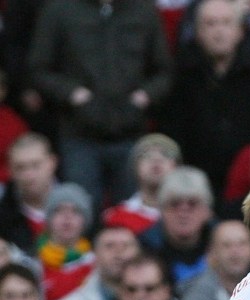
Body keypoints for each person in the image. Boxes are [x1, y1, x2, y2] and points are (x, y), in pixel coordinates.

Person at [27, 0, 173, 207]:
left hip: (130, 132)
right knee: (81, 212)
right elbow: (39, 69)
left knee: (131, 214)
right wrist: (72, 94)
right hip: (78, 134)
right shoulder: (59, 9)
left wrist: (144, 96)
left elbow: (164, 71)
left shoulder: (143, 9)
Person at [161, 0, 250, 202]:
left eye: (226, 23)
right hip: (194, 185)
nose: (219, 32)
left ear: (240, 31)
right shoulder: (180, 75)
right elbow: (172, 130)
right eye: (210, 24)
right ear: (197, 32)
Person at [138, 166, 216, 286]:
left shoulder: (223, 242)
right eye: (174, 204)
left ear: (207, 211)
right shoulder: (144, 247)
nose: (183, 212)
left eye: (192, 204)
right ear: (161, 211)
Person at [179, 220, 250, 300]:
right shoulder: (196, 296)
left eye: (242, 244)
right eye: (226, 245)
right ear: (211, 253)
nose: (235, 251)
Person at [100, 133, 182, 235]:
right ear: (135, 168)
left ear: (177, 167)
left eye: (166, 155)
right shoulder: (115, 217)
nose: (156, 160)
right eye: (146, 155)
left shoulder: (190, 214)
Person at [37, 183, 96, 300]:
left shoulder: (97, 264)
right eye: (59, 210)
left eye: (76, 211)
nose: (67, 217)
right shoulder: (34, 263)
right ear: (48, 219)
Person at [0, 133, 60, 254]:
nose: (28, 175)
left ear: (52, 163)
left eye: (35, 165)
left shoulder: (79, 206)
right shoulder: (3, 215)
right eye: (20, 167)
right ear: (10, 170)